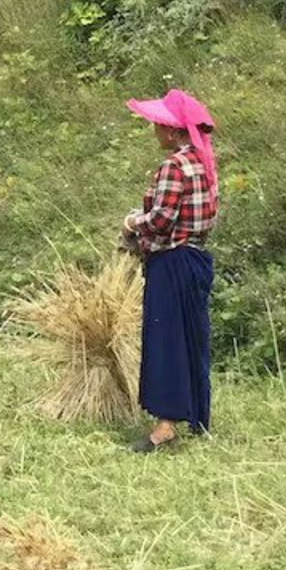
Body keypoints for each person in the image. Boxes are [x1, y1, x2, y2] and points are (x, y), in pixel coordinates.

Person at [119, 88, 218, 454]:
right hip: (195, 260)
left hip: (171, 262)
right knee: (192, 338)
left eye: (158, 125)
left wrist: (132, 223)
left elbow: (161, 220)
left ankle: (164, 427)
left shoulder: (174, 167)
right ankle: (196, 416)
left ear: (173, 131)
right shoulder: (203, 163)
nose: (154, 130)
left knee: (166, 341)